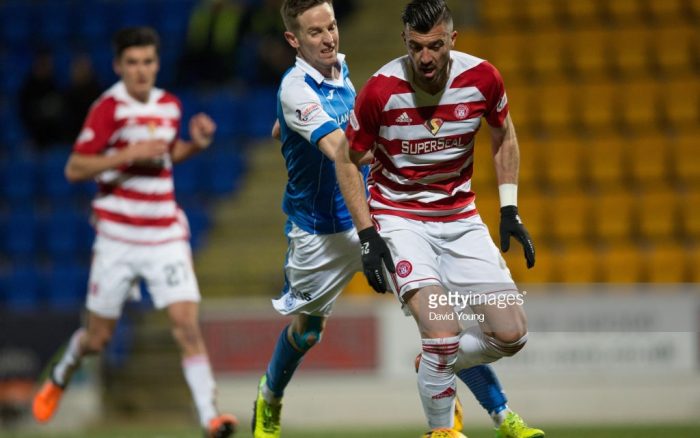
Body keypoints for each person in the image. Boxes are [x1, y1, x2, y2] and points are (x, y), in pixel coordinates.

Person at [255, 1, 543, 438]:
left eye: (331, 26)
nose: (329, 37)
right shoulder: (296, 87)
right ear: (294, 40)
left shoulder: (341, 72)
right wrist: (395, 141)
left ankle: (500, 414)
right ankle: (270, 396)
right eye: (315, 33)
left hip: (377, 215)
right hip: (320, 234)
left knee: (442, 326)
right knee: (308, 333)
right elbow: (340, 150)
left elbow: (311, 130)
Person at [31, 27, 238, 438]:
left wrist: (194, 144)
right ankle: (63, 369)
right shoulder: (107, 108)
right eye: (132, 63)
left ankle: (209, 417)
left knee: (187, 326)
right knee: (97, 339)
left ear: (157, 64)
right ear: (118, 66)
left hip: (164, 233)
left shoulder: (170, 105)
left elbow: (165, 156)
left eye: (147, 62)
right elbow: (74, 168)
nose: (141, 70)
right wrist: (128, 153)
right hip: (118, 237)